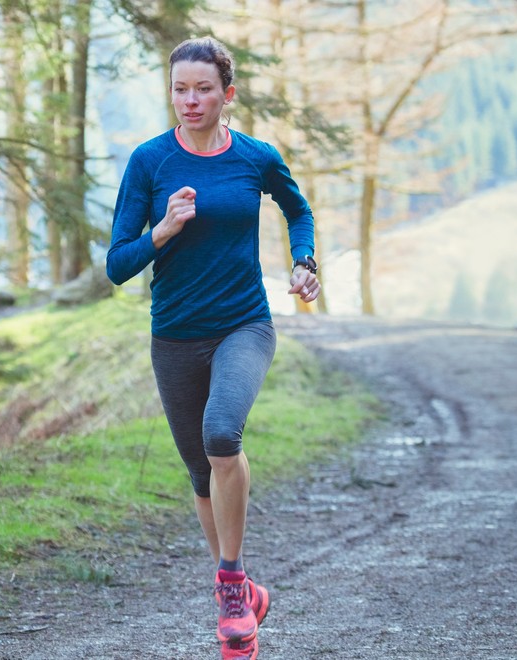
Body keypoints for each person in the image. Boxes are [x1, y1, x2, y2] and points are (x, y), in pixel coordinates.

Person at [106, 36, 320, 659]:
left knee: (222, 434)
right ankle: (244, 593)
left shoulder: (255, 158)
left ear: (228, 94)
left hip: (243, 325)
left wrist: (304, 262)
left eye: (203, 89)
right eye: (179, 89)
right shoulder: (149, 163)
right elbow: (118, 265)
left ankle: (229, 588)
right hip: (173, 335)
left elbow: (296, 208)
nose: (190, 100)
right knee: (201, 473)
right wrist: (164, 230)